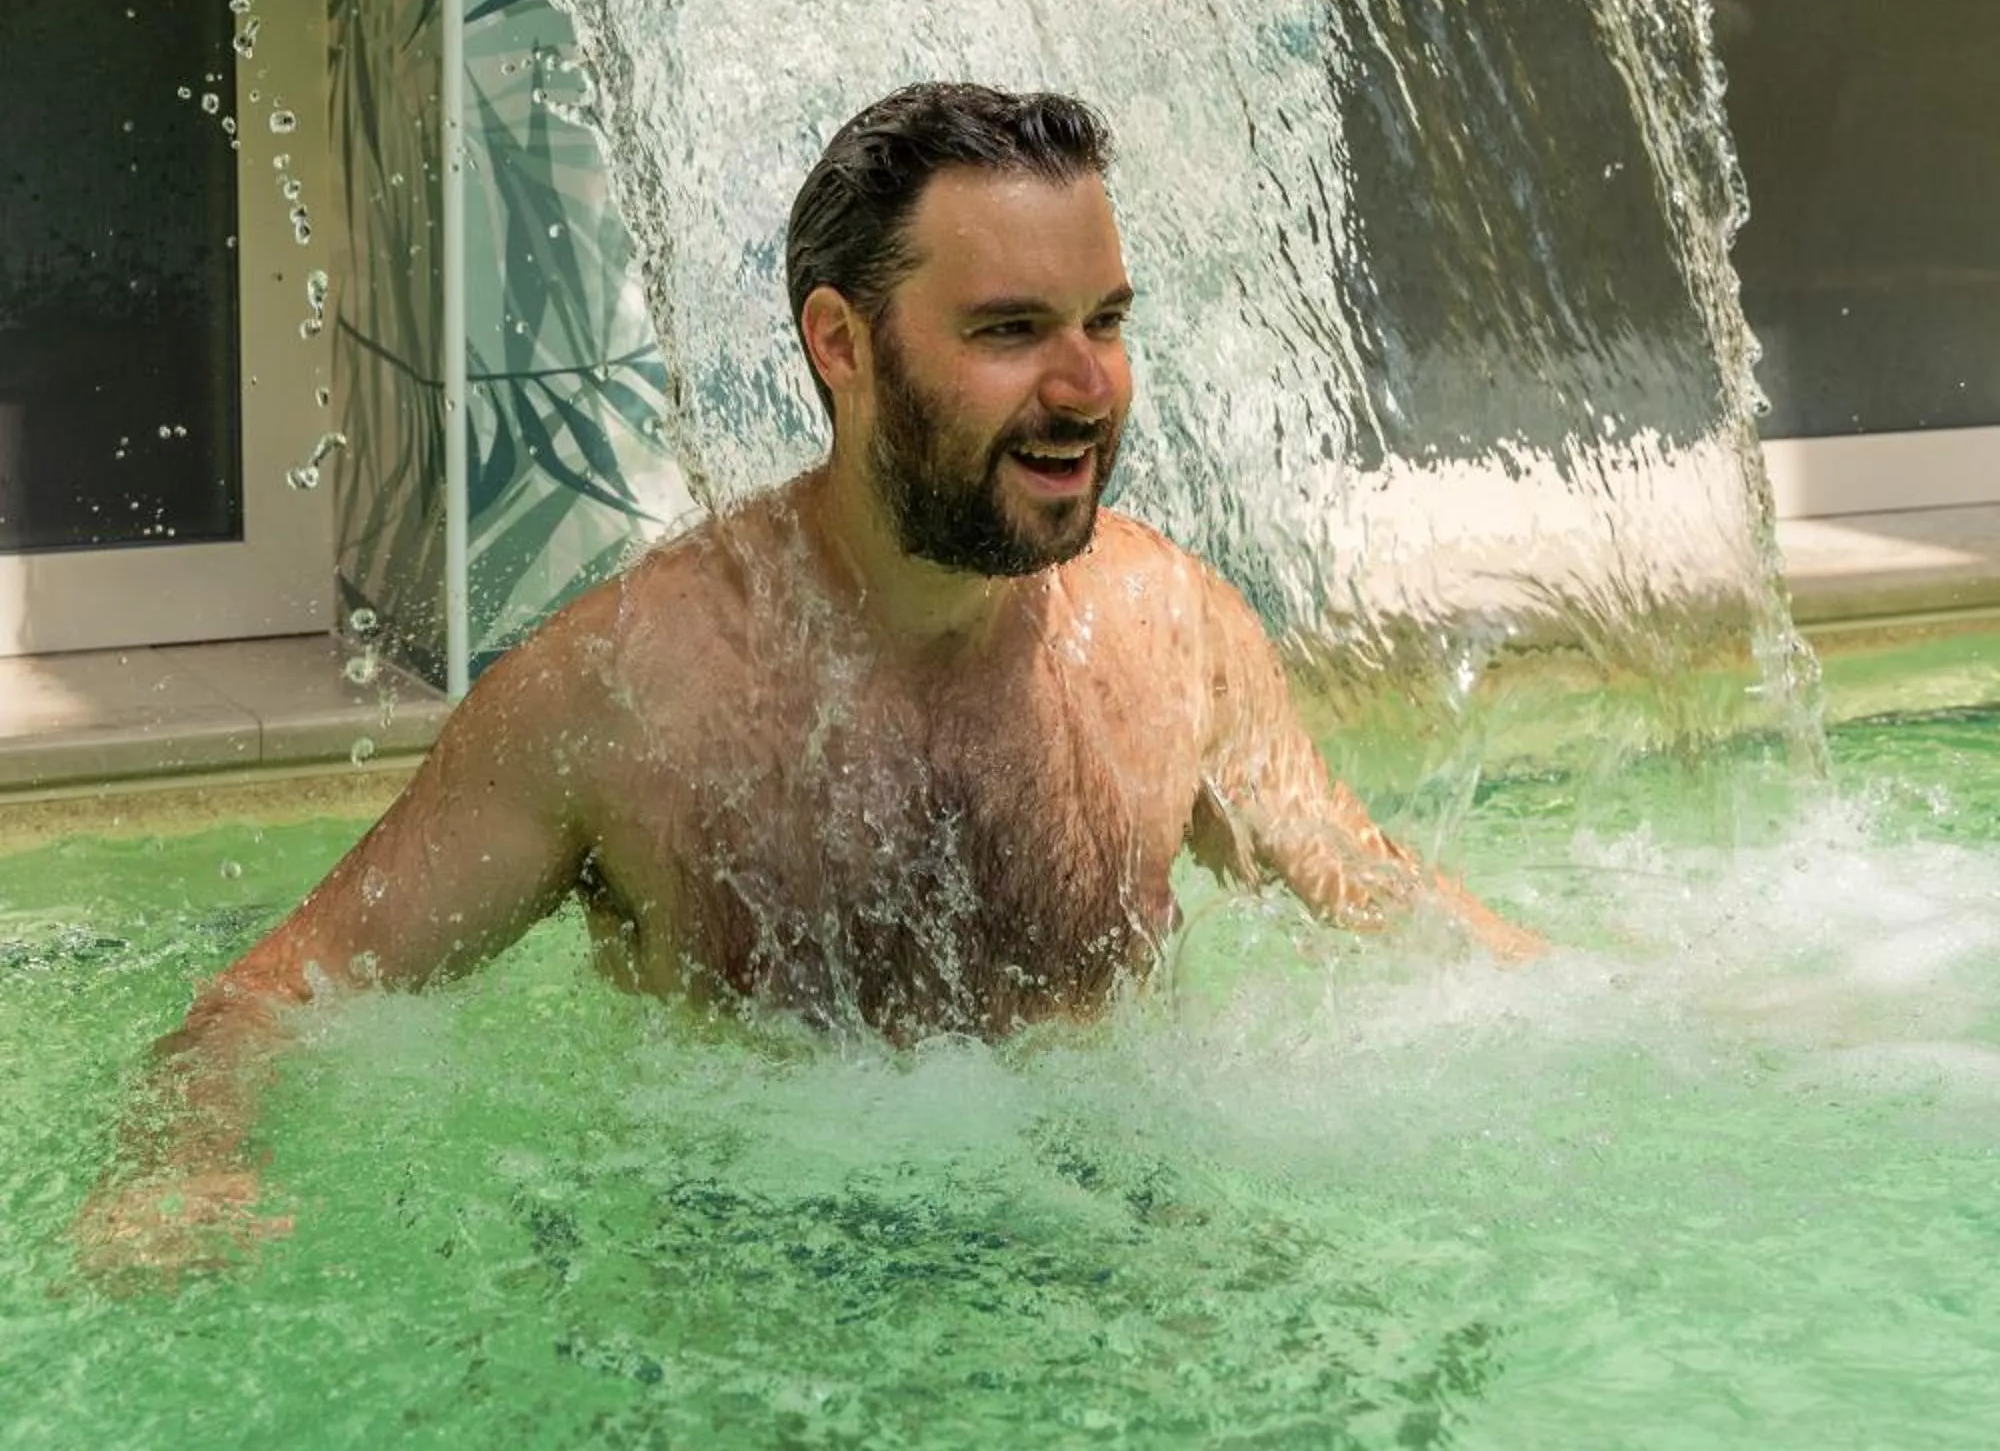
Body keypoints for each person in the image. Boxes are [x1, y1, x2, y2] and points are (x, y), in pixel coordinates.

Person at [89, 83, 1539, 1267]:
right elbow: (279, 995)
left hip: (1106, 1274)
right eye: (1011, 330)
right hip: (753, 1320)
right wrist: (180, 1167)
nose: (1088, 385)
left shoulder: (1171, 632)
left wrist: (1602, 1002)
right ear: (840, 343)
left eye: (1106, 321)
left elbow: (1369, 881)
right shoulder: (627, 690)